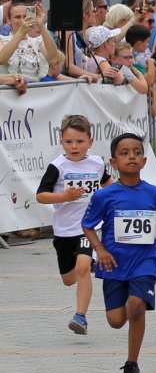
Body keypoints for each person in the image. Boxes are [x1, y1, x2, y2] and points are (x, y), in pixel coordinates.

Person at [81, 133, 156, 373]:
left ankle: (132, 363)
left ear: (144, 161)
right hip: (113, 263)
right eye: (124, 153)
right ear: (113, 163)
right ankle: (132, 302)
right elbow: (87, 225)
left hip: (145, 261)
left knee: (136, 305)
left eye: (137, 152)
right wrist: (100, 249)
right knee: (116, 321)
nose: (132, 157)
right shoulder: (104, 196)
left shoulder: (154, 193)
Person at [36, 114, 105, 335]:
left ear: (90, 142)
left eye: (80, 141)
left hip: (88, 227)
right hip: (64, 230)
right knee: (69, 279)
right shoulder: (57, 166)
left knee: (82, 267)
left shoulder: (98, 163)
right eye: (69, 141)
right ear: (61, 142)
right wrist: (64, 196)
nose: (74, 146)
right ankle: (90, 264)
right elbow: (41, 196)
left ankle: (80, 317)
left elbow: (109, 184)